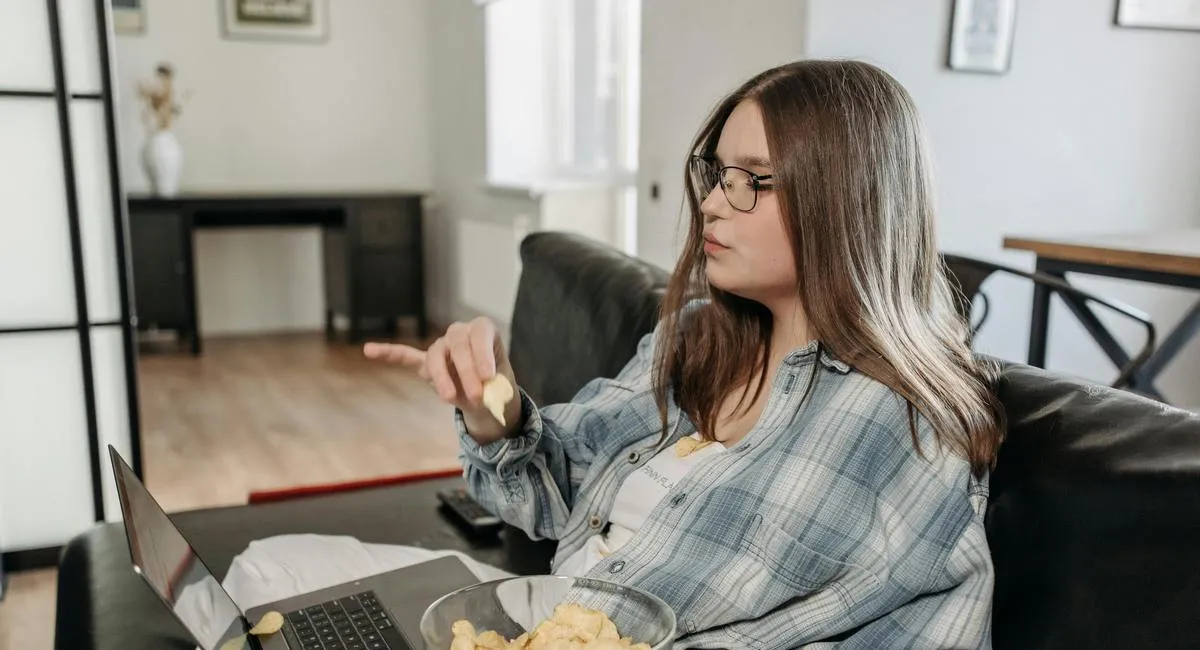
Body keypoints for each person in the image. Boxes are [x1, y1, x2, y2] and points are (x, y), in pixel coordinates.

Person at [365, 59, 1004, 649]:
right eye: (717, 175)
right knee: (277, 570)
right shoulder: (694, 335)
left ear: (848, 199)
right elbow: (553, 489)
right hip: (540, 624)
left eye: (751, 180)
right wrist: (490, 406)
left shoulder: (907, 429)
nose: (712, 204)